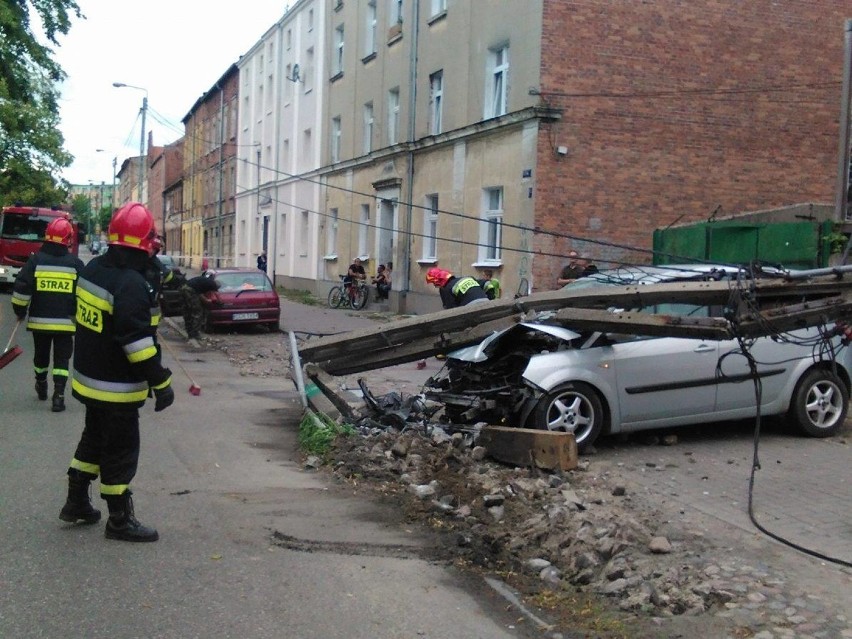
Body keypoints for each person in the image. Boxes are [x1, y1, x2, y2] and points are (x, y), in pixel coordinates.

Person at [59, 202, 175, 542]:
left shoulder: (93, 269)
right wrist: (161, 381)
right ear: (144, 244)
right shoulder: (131, 285)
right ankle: (120, 520)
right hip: (117, 386)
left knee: (94, 437)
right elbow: (136, 343)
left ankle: (76, 501)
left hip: (88, 379)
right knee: (121, 450)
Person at [11, 217, 85, 412]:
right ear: (68, 239)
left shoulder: (36, 260)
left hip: (40, 323)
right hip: (66, 324)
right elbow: (84, 294)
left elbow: (22, 287)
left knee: (40, 357)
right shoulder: (76, 264)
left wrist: (20, 309)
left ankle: (41, 383)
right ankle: (59, 396)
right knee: (62, 361)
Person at [180, 272, 220, 344]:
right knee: (197, 312)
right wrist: (214, 302)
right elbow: (201, 295)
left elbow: (202, 293)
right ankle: (194, 334)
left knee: (188, 310)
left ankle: (190, 332)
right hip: (189, 290)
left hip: (184, 288)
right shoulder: (212, 285)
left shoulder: (206, 282)